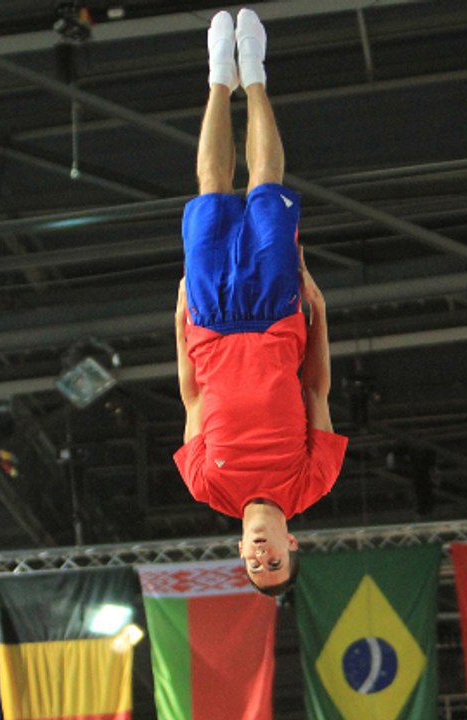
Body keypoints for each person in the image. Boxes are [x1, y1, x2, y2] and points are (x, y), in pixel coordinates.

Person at [174, 8, 348, 596]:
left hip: (211, 325)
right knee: (265, 187)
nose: (261, 557)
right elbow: (316, 389)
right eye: (274, 563)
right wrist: (319, 312)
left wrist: (180, 322)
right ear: (291, 543)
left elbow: (193, 395)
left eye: (254, 565)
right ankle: (254, 76)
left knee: (211, 189)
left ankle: (218, 78)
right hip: (277, 318)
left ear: (240, 552)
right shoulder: (313, 482)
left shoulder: (206, 486)